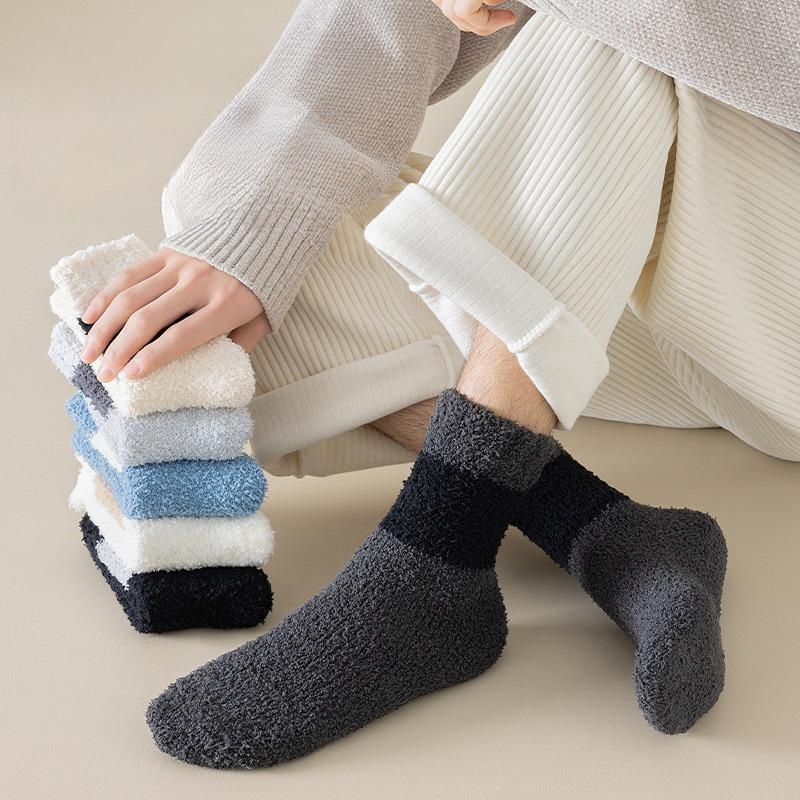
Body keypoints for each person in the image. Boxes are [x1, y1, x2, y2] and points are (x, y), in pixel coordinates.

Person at [79, 0, 799, 768]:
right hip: (685, 304)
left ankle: (438, 550)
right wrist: (247, 230)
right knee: (252, 226)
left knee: (608, 32)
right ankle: (602, 528)